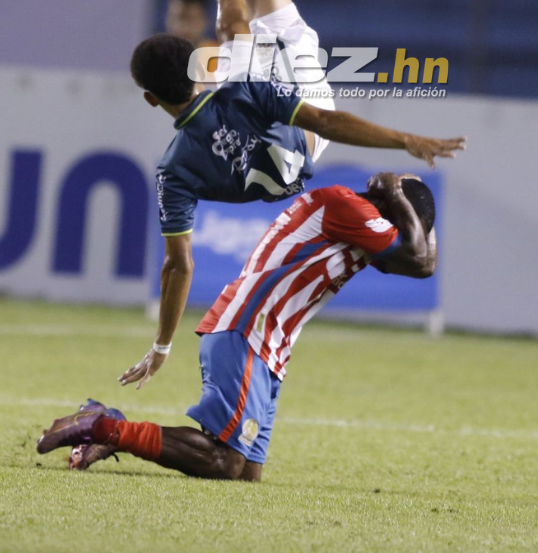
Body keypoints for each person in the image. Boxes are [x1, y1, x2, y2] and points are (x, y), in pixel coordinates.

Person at [121, 0, 465, 391]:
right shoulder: (178, 167)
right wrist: (406, 139)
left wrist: (162, 347)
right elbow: (179, 262)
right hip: (300, 135)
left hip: (294, 102)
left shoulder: (227, 97)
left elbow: (179, 265)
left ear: (153, 95)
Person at [37, 172, 436, 481]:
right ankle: (103, 425)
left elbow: (422, 261)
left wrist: (398, 194)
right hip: (249, 329)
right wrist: (399, 193)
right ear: (388, 211)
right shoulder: (345, 205)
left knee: (244, 475)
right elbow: (421, 260)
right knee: (224, 460)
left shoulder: (360, 224)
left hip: (269, 343)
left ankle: (109, 428)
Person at [164, 0, 219, 83]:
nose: (181, 26)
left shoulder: (219, 59)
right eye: (175, 18)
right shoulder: (156, 59)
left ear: (205, 20)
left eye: (189, 19)